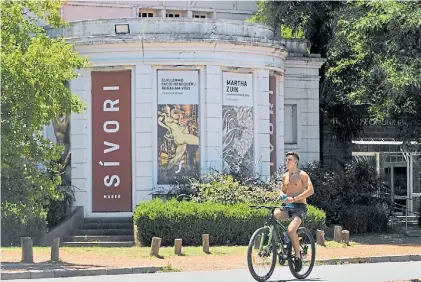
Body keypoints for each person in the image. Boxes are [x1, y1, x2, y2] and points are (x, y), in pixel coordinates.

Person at [274, 151, 314, 261]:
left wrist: (295, 198)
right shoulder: (285, 176)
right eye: (286, 160)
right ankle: (281, 242)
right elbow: (282, 191)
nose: (287, 162)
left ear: (295, 161)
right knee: (273, 215)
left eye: (289, 160)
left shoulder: (302, 174)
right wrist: (282, 196)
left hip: (299, 207)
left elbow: (311, 190)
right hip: (288, 206)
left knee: (291, 229)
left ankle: (298, 254)